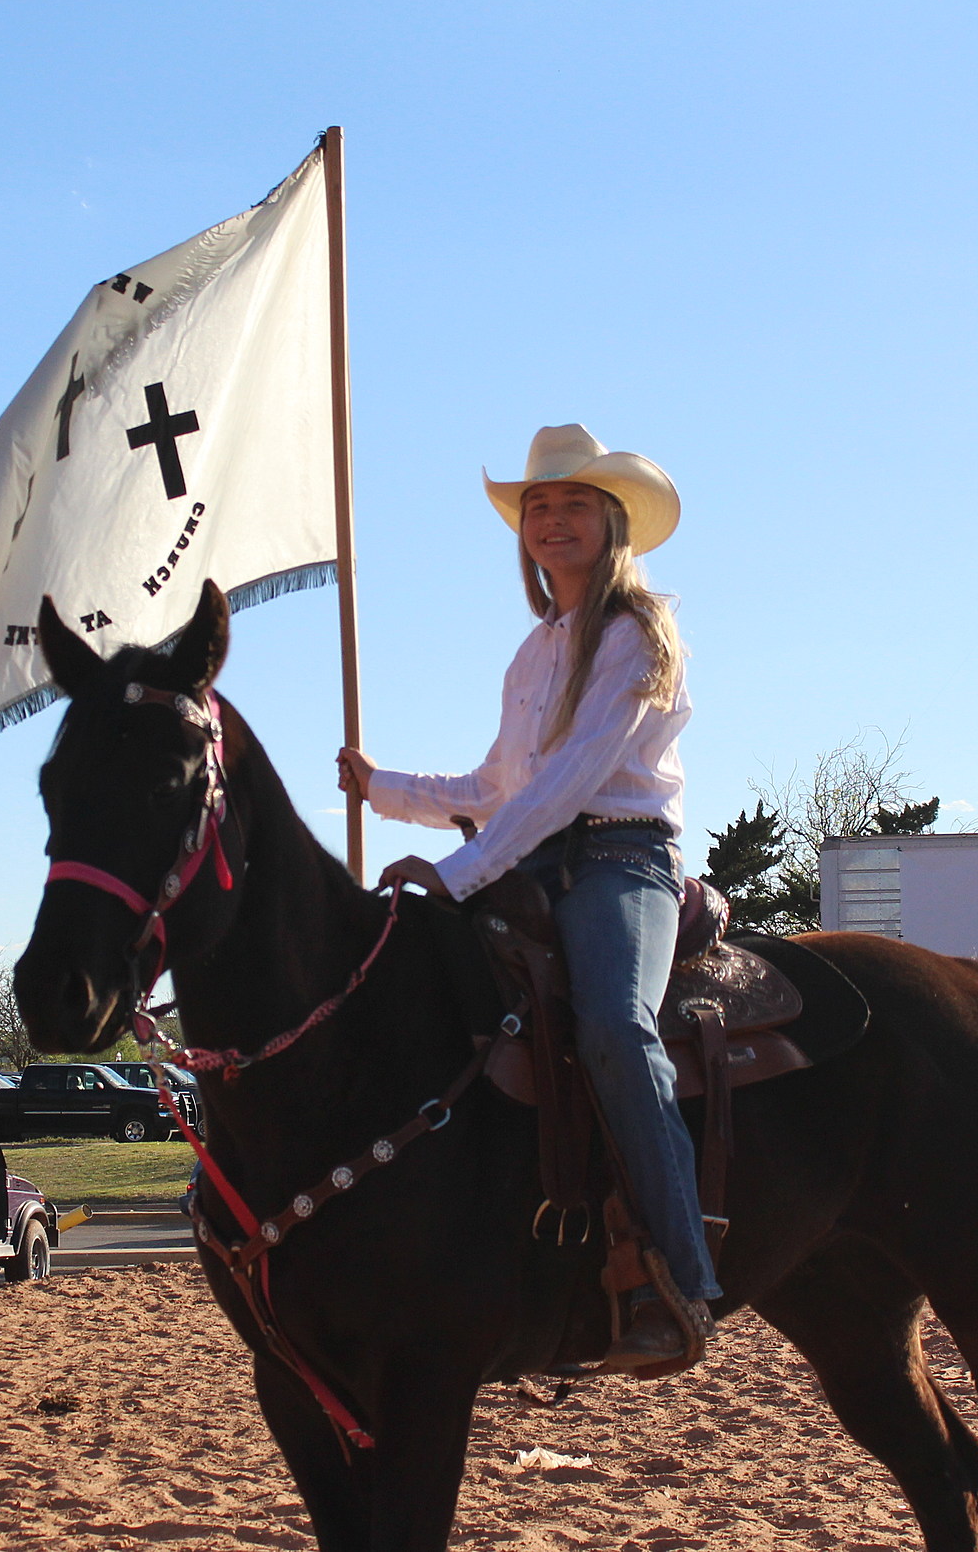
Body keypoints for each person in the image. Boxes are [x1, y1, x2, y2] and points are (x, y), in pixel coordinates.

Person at [336, 423, 715, 1369]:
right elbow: (497, 790)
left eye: (573, 504)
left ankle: (682, 1272)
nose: (553, 521)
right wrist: (382, 788)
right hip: (532, 858)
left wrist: (457, 874)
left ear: (612, 520)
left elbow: (570, 785)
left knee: (615, 1028)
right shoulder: (531, 653)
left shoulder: (635, 632)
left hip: (622, 861)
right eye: (539, 507)